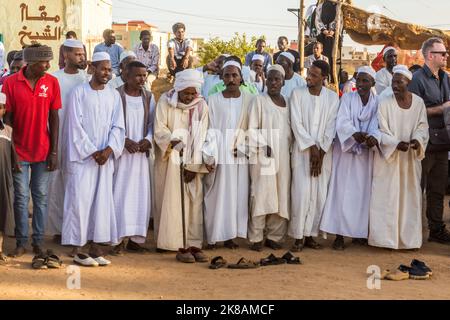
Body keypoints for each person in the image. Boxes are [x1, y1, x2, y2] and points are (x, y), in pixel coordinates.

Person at [62, 52, 125, 266]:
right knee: (80, 200)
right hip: (83, 158)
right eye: (103, 68)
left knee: (102, 200)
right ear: (92, 68)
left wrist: (108, 150)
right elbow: (74, 126)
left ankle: (96, 247)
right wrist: (92, 151)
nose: (107, 73)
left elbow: (118, 126)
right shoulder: (79, 92)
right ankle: (78, 249)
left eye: (109, 69)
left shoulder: (114, 95)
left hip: (104, 158)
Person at [2, 44, 61, 257]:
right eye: (43, 62)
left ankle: (37, 241)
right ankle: (21, 242)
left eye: (48, 61)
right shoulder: (10, 83)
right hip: (18, 151)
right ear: (31, 63)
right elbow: (6, 119)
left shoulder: (52, 82)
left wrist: (54, 152)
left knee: (41, 197)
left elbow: (54, 118)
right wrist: (12, 152)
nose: (48, 65)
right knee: (20, 197)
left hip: (43, 151)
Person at [369, 65, 429, 250]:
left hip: (409, 159)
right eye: (393, 81)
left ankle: (408, 240)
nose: (394, 85)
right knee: (387, 197)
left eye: (399, 81)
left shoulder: (418, 103)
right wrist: (396, 143)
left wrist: (417, 141)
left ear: (408, 82)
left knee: (409, 197)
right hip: (389, 159)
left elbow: (422, 127)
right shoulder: (384, 102)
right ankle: (384, 240)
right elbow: (380, 129)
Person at [320, 66, 380, 250]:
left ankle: (358, 233)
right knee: (342, 193)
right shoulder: (347, 98)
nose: (361, 84)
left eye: (365, 81)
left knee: (362, 195)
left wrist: (372, 137)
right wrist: (355, 134)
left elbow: (379, 123)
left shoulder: (378, 102)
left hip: (365, 156)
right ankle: (339, 235)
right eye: (359, 80)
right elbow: (342, 121)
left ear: (373, 83)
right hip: (345, 152)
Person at [153, 69, 209, 263]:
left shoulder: (201, 106)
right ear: (179, 89)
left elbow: (203, 136)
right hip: (170, 162)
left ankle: (192, 243)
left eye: (193, 93)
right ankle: (171, 242)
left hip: (192, 162)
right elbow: (159, 128)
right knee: (170, 201)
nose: (190, 97)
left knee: (193, 203)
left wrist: (193, 166)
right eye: (187, 93)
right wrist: (172, 142)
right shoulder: (165, 102)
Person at [288, 60, 339, 251]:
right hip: (303, 153)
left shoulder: (332, 98)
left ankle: (311, 235)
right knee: (301, 194)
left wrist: (322, 151)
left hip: (324, 155)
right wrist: (312, 148)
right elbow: (296, 123)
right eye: (309, 73)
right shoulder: (297, 94)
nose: (309, 77)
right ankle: (298, 236)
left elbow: (331, 126)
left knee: (319, 195)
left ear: (324, 77)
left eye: (314, 75)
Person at [202, 60, 254, 249]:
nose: (231, 79)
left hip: (240, 156)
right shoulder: (214, 99)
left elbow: (253, 127)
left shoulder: (250, 99)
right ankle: (213, 237)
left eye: (235, 75)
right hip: (219, 154)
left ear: (241, 78)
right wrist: (210, 155)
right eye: (227, 75)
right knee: (216, 196)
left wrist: (245, 148)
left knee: (237, 197)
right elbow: (210, 128)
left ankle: (231, 236)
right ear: (221, 78)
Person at [409, 37, 450, 244]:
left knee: (437, 189)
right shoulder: (417, 78)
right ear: (430, 56)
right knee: (417, 188)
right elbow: (412, 112)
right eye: (442, 53)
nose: (446, 56)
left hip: (443, 143)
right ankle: (412, 231)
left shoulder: (446, 77)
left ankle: (436, 230)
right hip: (423, 143)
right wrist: (441, 109)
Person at [246, 65, 292, 251]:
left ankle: (275, 236)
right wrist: (263, 144)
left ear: (283, 81)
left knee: (281, 194)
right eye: (270, 79)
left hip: (284, 156)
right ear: (265, 78)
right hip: (262, 156)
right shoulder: (259, 100)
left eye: (277, 79)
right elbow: (251, 128)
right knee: (261, 194)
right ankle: (256, 236)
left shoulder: (288, 102)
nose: (273, 83)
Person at [47, 39, 88, 241]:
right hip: (56, 135)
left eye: (83, 54)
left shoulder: (87, 79)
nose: (82, 58)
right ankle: (57, 229)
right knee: (55, 183)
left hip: (79, 139)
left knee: (76, 184)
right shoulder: (53, 78)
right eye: (78, 54)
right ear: (66, 56)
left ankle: (76, 229)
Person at [113, 61, 155, 254]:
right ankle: (117, 239)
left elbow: (153, 124)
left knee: (139, 196)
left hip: (140, 156)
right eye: (138, 75)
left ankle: (136, 240)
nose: (142, 79)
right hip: (122, 155)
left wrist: (148, 139)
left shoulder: (148, 97)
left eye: (144, 75)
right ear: (126, 76)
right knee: (119, 194)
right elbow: (110, 124)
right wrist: (124, 140)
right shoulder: (116, 95)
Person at [0, 93, 17, 261]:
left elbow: (13, 155)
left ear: (4, 110)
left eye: (0, 107)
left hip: (3, 178)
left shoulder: (8, 130)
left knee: (3, 210)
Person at [315, 0, 338, 81]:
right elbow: (317, 19)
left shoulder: (338, 5)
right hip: (322, 35)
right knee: (323, 55)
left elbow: (339, 19)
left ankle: (332, 79)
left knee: (333, 58)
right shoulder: (320, 5)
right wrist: (323, 30)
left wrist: (333, 30)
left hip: (334, 35)